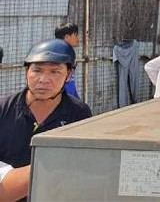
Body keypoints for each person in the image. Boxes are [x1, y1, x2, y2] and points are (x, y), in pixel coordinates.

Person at [0, 39, 92, 201]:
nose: (43, 79)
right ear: (26, 71)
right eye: (37, 70)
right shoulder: (3, 108)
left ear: (68, 74)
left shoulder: (79, 114)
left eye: (55, 72)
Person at [54, 22, 80, 99]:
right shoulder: (60, 54)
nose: (78, 38)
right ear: (67, 37)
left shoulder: (68, 52)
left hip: (70, 90)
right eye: (75, 35)